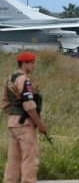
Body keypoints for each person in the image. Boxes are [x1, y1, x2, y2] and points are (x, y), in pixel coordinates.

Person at [0, 51, 47, 183]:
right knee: (30, 159)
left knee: (13, 161)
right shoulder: (24, 80)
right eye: (32, 63)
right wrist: (39, 123)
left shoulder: (10, 79)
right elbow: (29, 104)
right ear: (24, 64)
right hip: (25, 124)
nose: (34, 66)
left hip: (12, 123)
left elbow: (4, 103)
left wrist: (15, 115)